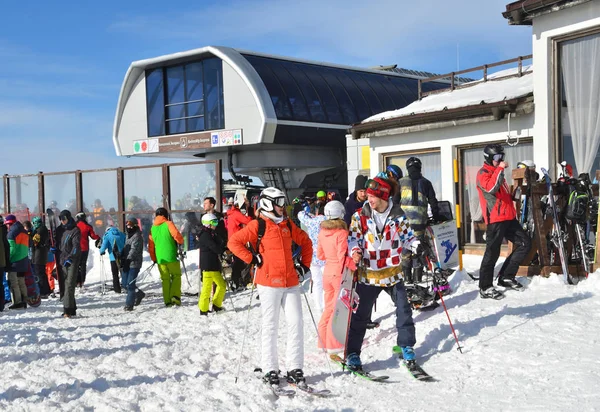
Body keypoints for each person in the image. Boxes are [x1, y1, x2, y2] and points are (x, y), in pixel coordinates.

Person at [228, 187, 313, 386]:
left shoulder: (287, 225)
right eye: (279, 203)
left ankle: (295, 367)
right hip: (268, 283)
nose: (283, 207)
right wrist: (252, 258)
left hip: (291, 282)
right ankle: (270, 369)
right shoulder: (258, 225)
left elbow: (306, 242)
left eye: (284, 203)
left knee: (296, 323)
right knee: (271, 326)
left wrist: (304, 266)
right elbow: (234, 243)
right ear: (267, 203)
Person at [346, 177, 420, 370]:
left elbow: (408, 238)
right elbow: (352, 239)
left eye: (372, 196)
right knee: (360, 315)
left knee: (404, 311)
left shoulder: (398, 216)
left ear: (383, 196)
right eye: (368, 195)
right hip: (369, 274)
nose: (368, 198)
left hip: (393, 272)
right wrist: (355, 251)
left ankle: (406, 347)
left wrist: (416, 245)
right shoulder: (360, 216)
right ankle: (353, 352)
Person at [476, 144, 531, 299]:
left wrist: (513, 195)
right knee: (492, 253)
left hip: (508, 217)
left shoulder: (497, 173)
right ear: (488, 158)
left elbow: (500, 195)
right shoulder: (483, 173)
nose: (500, 160)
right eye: (496, 158)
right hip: (495, 219)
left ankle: (506, 276)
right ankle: (485, 287)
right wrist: (500, 169)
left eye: (502, 157)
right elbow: (491, 188)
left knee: (525, 243)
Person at [316, 200, 356, 352]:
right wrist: (354, 263)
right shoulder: (341, 233)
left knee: (328, 308)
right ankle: (334, 344)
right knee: (337, 309)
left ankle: (322, 341)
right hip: (339, 274)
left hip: (327, 273)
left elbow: (320, 255)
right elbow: (342, 257)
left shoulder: (322, 232)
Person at [398, 157, 440, 284]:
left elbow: (394, 203)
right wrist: (436, 216)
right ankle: (417, 279)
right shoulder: (426, 183)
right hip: (420, 223)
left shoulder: (400, 182)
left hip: (404, 224)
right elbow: (433, 202)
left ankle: (406, 279)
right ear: (420, 167)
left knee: (405, 250)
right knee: (418, 250)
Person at [149, 207, 184, 307]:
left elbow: (151, 246)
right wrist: (181, 241)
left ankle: (167, 301)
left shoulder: (153, 228)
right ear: (165, 215)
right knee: (176, 276)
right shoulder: (168, 224)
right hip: (171, 255)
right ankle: (175, 297)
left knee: (165, 279)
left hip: (160, 258)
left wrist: (154, 258)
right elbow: (176, 235)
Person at [297, 201, 327, 318]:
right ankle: (326, 305)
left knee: (317, 283)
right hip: (326, 257)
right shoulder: (329, 221)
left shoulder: (311, 221)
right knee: (326, 283)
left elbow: (300, 214)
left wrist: (309, 214)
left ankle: (319, 307)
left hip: (313, 257)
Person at [197, 213, 227, 316]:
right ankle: (203, 310)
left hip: (214, 265)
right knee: (207, 288)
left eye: (216, 222)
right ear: (207, 224)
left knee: (222, 285)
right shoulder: (205, 235)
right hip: (208, 266)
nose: (216, 224)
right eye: (214, 222)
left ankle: (216, 305)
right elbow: (215, 247)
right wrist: (221, 249)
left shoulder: (211, 233)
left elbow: (220, 243)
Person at [57, 210, 81, 317]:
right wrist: (54, 248)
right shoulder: (61, 230)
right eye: (61, 220)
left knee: (70, 285)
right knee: (66, 284)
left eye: (64, 219)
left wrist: (70, 258)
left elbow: (76, 247)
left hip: (72, 261)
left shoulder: (75, 230)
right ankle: (72, 308)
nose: (62, 222)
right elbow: (59, 244)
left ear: (68, 218)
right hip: (63, 260)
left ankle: (67, 309)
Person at [226, 197, 252, 291]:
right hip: (237, 241)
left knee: (238, 262)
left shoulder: (231, 213)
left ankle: (236, 282)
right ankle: (241, 281)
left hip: (233, 240)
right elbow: (248, 221)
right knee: (246, 260)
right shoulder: (236, 214)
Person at [5, 215, 30, 310]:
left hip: (15, 261)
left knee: (13, 282)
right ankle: (24, 300)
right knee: (21, 281)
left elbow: (12, 249)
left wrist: (8, 259)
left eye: (7, 224)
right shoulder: (23, 231)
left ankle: (17, 302)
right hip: (24, 260)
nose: (7, 226)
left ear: (9, 223)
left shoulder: (11, 233)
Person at [121, 218, 144, 311]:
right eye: (127, 224)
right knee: (125, 284)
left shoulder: (137, 236)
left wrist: (128, 259)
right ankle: (139, 293)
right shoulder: (127, 235)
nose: (128, 226)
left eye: (130, 224)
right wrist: (122, 254)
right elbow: (126, 247)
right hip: (127, 262)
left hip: (134, 263)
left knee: (130, 284)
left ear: (135, 225)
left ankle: (129, 304)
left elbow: (134, 249)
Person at [75, 212, 100, 289]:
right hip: (84, 248)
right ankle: (82, 282)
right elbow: (93, 236)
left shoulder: (74, 226)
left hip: (76, 248)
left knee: (76, 265)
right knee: (83, 265)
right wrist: (98, 237)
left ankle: (76, 281)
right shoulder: (88, 226)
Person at [99, 226, 127, 293]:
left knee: (115, 274)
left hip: (113, 257)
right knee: (123, 272)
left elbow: (104, 245)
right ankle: (126, 287)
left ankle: (117, 289)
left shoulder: (107, 235)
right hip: (122, 256)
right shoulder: (121, 234)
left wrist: (101, 251)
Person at [31, 216, 52, 298]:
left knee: (40, 274)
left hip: (39, 255)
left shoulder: (40, 230)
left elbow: (35, 242)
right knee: (42, 273)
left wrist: (30, 236)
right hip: (40, 254)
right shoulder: (42, 229)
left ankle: (44, 291)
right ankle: (46, 290)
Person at [0, 215, 10, 311]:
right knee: (1, 283)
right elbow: (7, 248)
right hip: (2, 262)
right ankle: (1, 304)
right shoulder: (4, 232)